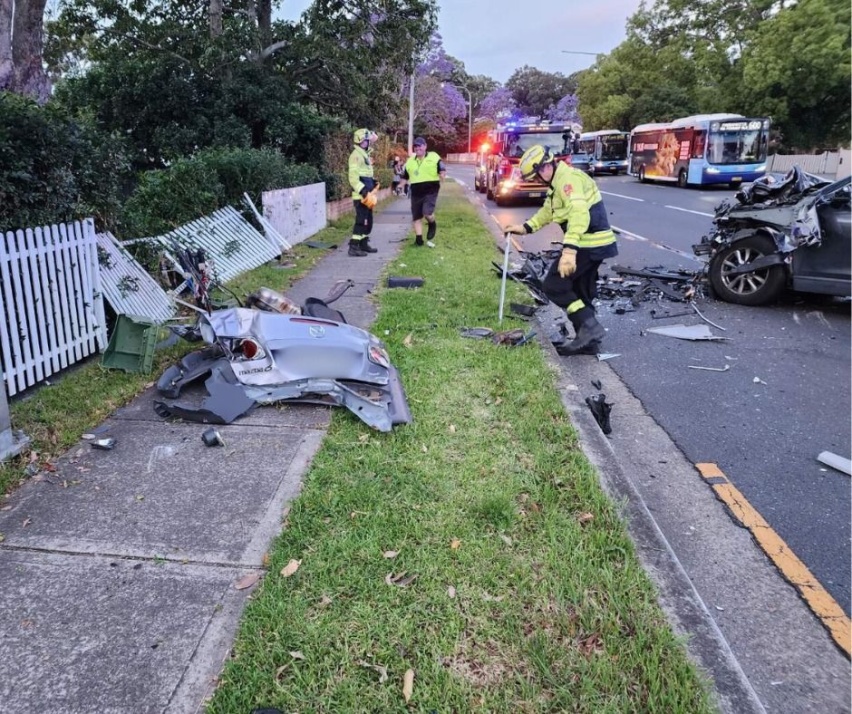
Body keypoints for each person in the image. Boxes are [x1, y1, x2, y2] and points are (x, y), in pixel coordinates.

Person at [503, 144, 618, 356]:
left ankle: (590, 328)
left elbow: (579, 214)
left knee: (554, 285)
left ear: (544, 167)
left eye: (536, 177)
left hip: (589, 243)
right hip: (594, 243)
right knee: (581, 290)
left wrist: (570, 251)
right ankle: (588, 342)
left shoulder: (568, 181)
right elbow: (548, 211)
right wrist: (525, 227)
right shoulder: (557, 183)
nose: (536, 182)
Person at [399, 136, 446, 247]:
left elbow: (442, 168)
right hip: (416, 191)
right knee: (416, 216)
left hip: (431, 189)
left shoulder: (434, 156)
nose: (417, 148)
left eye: (419, 145)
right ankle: (419, 240)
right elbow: (405, 176)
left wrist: (442, 174)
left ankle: (432, 223)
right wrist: (401, 185)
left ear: (425, 146)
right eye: (415, 146)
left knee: (427, 213)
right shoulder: (410, 161)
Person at [347, 128, 380, 257]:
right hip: (361, 196)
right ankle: (353, 246)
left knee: (368, 221)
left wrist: (373, 182)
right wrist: (364, 191)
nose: (368, 143)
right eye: (366, 141)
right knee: (361, 221)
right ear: (360, 141)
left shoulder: (364, 155)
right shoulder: (356, 156)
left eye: (368, 141)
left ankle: (363, 244)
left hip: (367, 195)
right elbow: (353, 178)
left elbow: (365, 174)